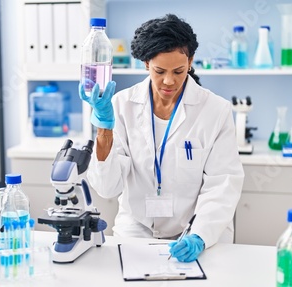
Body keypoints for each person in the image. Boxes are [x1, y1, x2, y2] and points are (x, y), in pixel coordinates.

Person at [79, 14, 244, 263]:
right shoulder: (121, 105)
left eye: (179, 71)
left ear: (190, 62)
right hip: (136, 229)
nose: (169, 81)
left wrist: (199, 235)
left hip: (195, 231)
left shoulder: (215, 110)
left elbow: (222, 185)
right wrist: (103, 128)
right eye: (159, 71)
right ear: (146, 64)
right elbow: (107, 187)